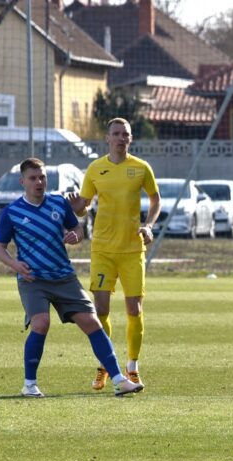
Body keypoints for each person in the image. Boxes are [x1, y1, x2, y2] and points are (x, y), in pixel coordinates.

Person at [0, 157, 143, 398]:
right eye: (33, 178)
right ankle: (29, 385)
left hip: (64, 278)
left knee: (92, 323)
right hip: (33, 280)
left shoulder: (58, 204)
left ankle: (118, 379)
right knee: (41, 324)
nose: (39, 182)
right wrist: (15, 265)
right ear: (23, 181)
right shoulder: (11, 212)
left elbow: (78, 229)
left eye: (42, 177)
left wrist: (76, 235)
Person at [68, 117, 161, 391]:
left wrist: (148, 225)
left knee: (135, 309)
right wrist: (78, 208)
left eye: (126, 134)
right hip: (103, 249)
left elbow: (155, 200)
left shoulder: (141, 168)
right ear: (107, 139)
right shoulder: (96, 169)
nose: (121, 138)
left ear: (130, 139)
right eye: (116, 134)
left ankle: (132, 367)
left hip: (132, 250)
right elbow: (84, 206)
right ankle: (106, 366)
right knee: (100, 310)